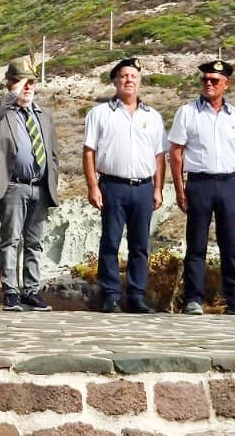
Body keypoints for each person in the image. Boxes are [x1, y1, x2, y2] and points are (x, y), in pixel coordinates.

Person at [168, 59, 235, 316]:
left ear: (225, 84)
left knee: (231, 244)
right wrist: (180, 190)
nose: (209, 84)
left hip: (228, 184)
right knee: (196, 244)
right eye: (205, 79)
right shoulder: (187, 112)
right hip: (200, 183)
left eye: (214, 80)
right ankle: (193, 299)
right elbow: (176, 154)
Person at [82, 57, 166, 314]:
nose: (129, 80)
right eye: (123, 76)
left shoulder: (153, 116)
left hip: (143, 187)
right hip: (113, 186)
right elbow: (89, 152)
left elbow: (159, 156)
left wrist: (158, 188)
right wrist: (93, 187)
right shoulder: (99, 114)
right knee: (110, 241)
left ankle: (137, 295)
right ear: (115, 81)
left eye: (133, 76)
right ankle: (110, 295)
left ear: (140, 82)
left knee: (140, 244)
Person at [0, 57, 58, 312]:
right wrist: (11, 95)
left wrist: (52, 181)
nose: (27, 87)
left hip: (40, 186)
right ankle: (10, 292)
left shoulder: (43, 114)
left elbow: (52, 152)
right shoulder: (1, 110)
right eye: (20, 82)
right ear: (10, 84)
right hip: (14, 186)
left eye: (31, 82)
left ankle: (31, 291)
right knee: (11, 239)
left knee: (35, 241)